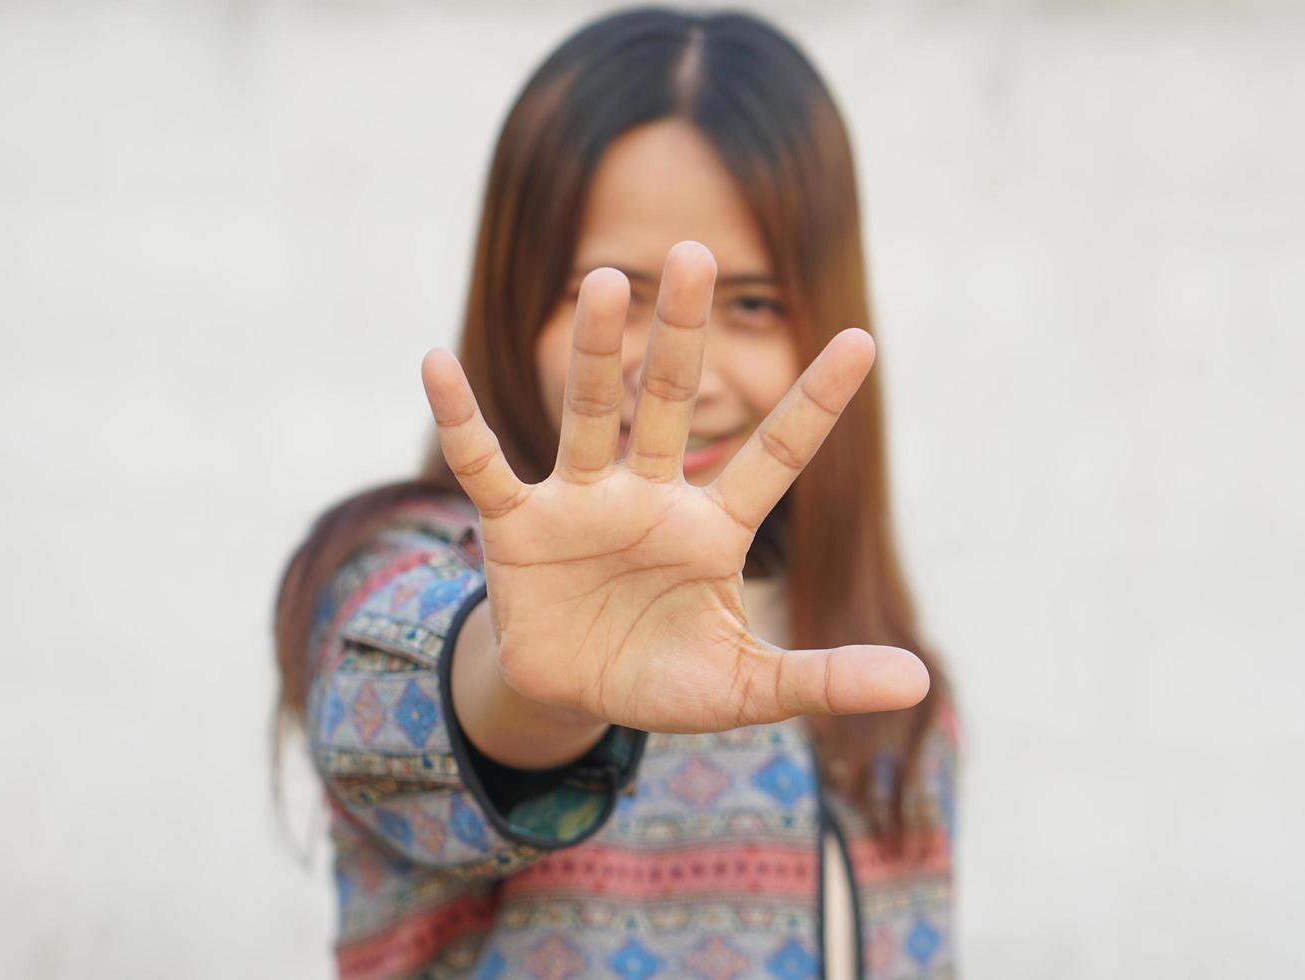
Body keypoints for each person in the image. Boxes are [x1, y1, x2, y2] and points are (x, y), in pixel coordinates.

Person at [273, 7, 958, 978]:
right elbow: (423, 689)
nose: (687, 366)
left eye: (755, 303)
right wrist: (530, 680)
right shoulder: (393, 574)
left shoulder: (873, 668)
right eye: (608, 292)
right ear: (516, 302)